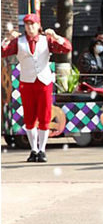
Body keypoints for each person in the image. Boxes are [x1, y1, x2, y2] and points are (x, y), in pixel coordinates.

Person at [1, 14, 72, 162]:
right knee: (29, 117)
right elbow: (2, 51)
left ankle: (42, 150)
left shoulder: (47, 40)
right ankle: (33, 149)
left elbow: (67, 48)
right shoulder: (18, 42)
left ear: (39, 25)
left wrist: (56, 36)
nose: (30, 27)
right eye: (27, 24)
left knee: (45, 116)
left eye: (33, 24)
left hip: (44, 81)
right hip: (27, 82)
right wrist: (8, 38)